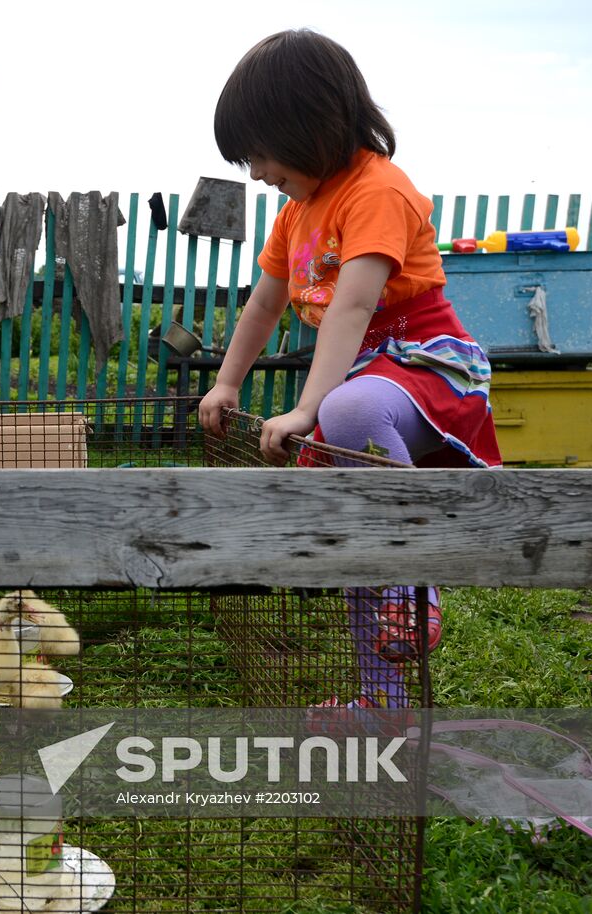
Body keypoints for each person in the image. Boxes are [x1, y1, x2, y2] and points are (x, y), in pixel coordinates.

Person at [198, 29, 502, 717]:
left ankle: (414, 588)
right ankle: (383, 703)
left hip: (426, 368)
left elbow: (355, 304)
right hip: (367, 375)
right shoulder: (296, 214)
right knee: (355, 552)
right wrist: (225, 382)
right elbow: (264, 305)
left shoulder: (378, 190)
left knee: (348, 417)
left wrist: (310, 408)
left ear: (305, 123)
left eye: (261, 153)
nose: (256, 172)